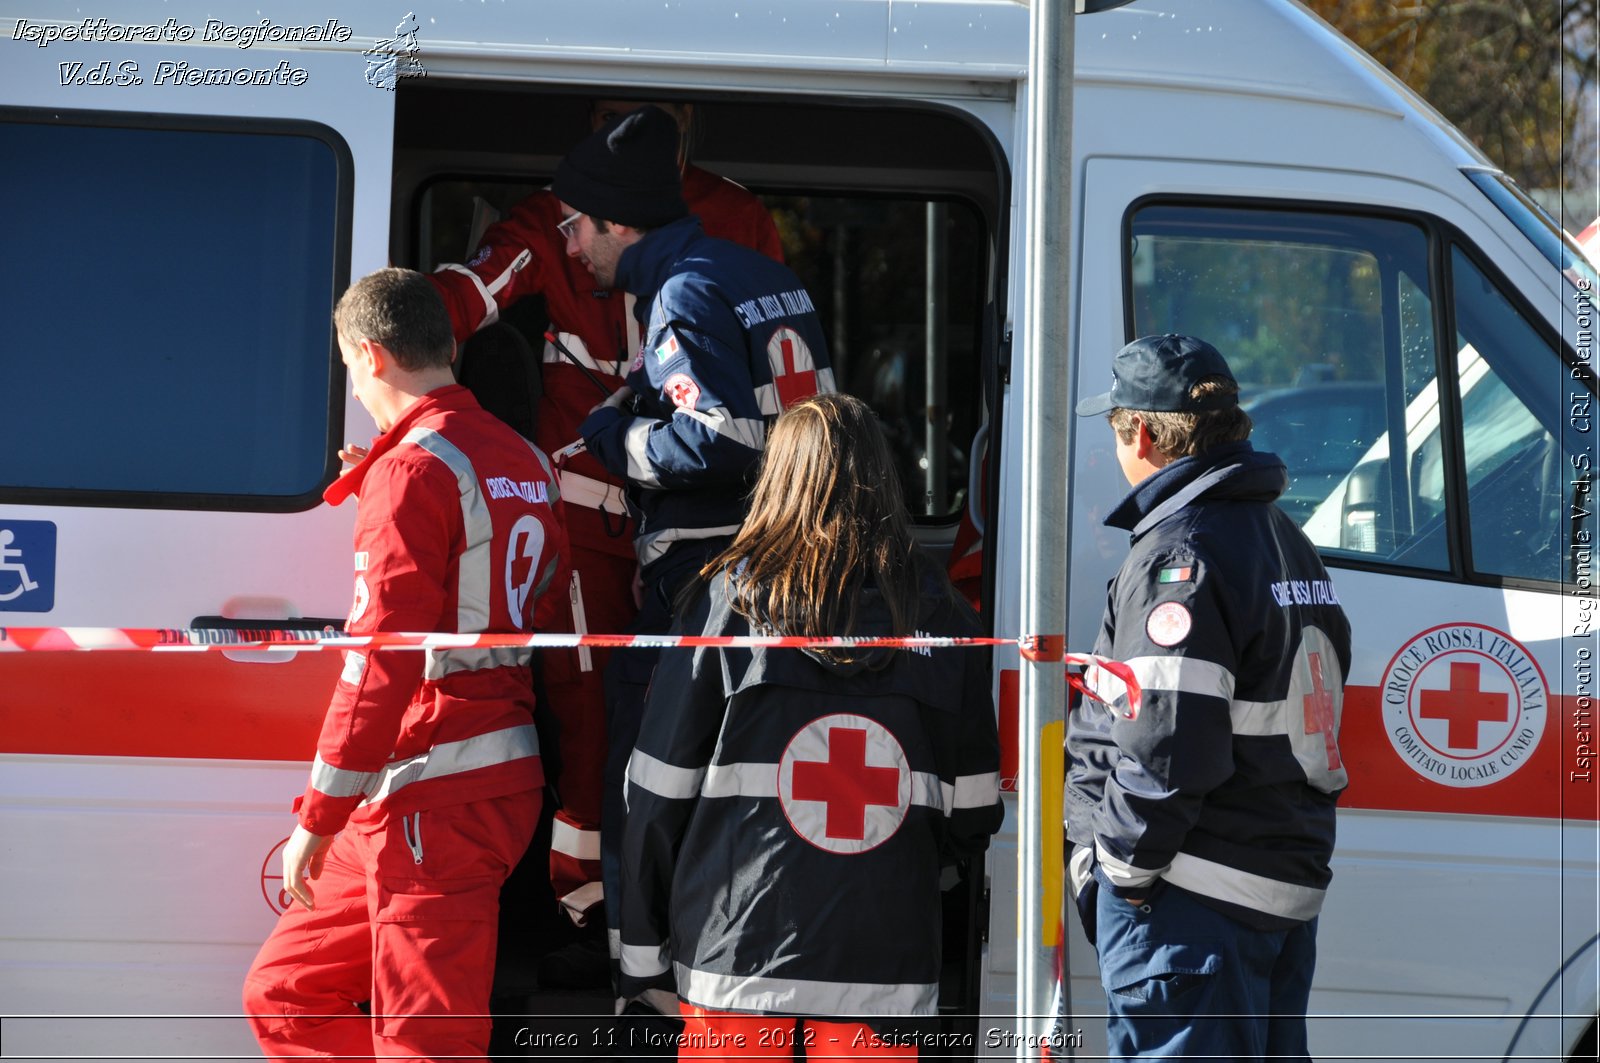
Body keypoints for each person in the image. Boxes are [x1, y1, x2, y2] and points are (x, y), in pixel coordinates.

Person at [426, 99, 782, 925]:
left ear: (694, 116)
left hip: (698, 515)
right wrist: (383, 371)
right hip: (587, 511)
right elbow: (468, 295)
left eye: (659, 111)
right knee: (589, 717)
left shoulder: (737, 213)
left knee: (692, 709)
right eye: (616, 111)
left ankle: (659, 907)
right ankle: (591, 907)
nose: (638, 123)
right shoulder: (558, 214)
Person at [243, 268, 570, 1061]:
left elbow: (377, 665)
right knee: (285, 994)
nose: (352, 385)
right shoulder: (523, 456)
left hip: (437, 793)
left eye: (348, 367)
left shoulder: (414, 470)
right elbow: (533, 598)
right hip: (443, 785)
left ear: (370, 354)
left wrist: (316, 815)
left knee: (426, 1045)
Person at [618, 393, 1003, 1056]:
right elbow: (973, 811)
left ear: (779, 479)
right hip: (884, 961)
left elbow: (658, 792)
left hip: (735, 958)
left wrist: (642, 951)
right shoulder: (939, 614)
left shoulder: (726, 605)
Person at [554, 103, 834, 984]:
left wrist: (614, 443)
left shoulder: (683, 290)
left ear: (616, 222)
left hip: (707, 576)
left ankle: (643, 987)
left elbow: (718, 440)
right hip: (789, 566)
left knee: (648, 773)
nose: (569, 249)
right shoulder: (755, 271)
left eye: (574, 227)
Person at [1064, 334, 1351, 1061]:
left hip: (1195, 903)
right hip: (1272, 891)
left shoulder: (1179, 554)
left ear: (1150, 434)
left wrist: (1118, 872)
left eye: (1119, 432)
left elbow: (1168, 747)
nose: (1118, 455)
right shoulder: (1284, 537)